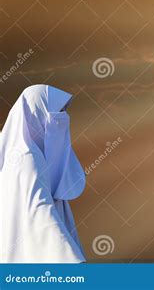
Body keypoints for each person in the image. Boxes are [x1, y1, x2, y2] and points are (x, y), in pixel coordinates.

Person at [0, 84, 86, 263]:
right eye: (58, 112)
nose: (64, 118)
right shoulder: (26, 158)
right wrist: (71, 259)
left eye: (64, 111)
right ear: (36, 114)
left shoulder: (27, 156)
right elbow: (40, 212)